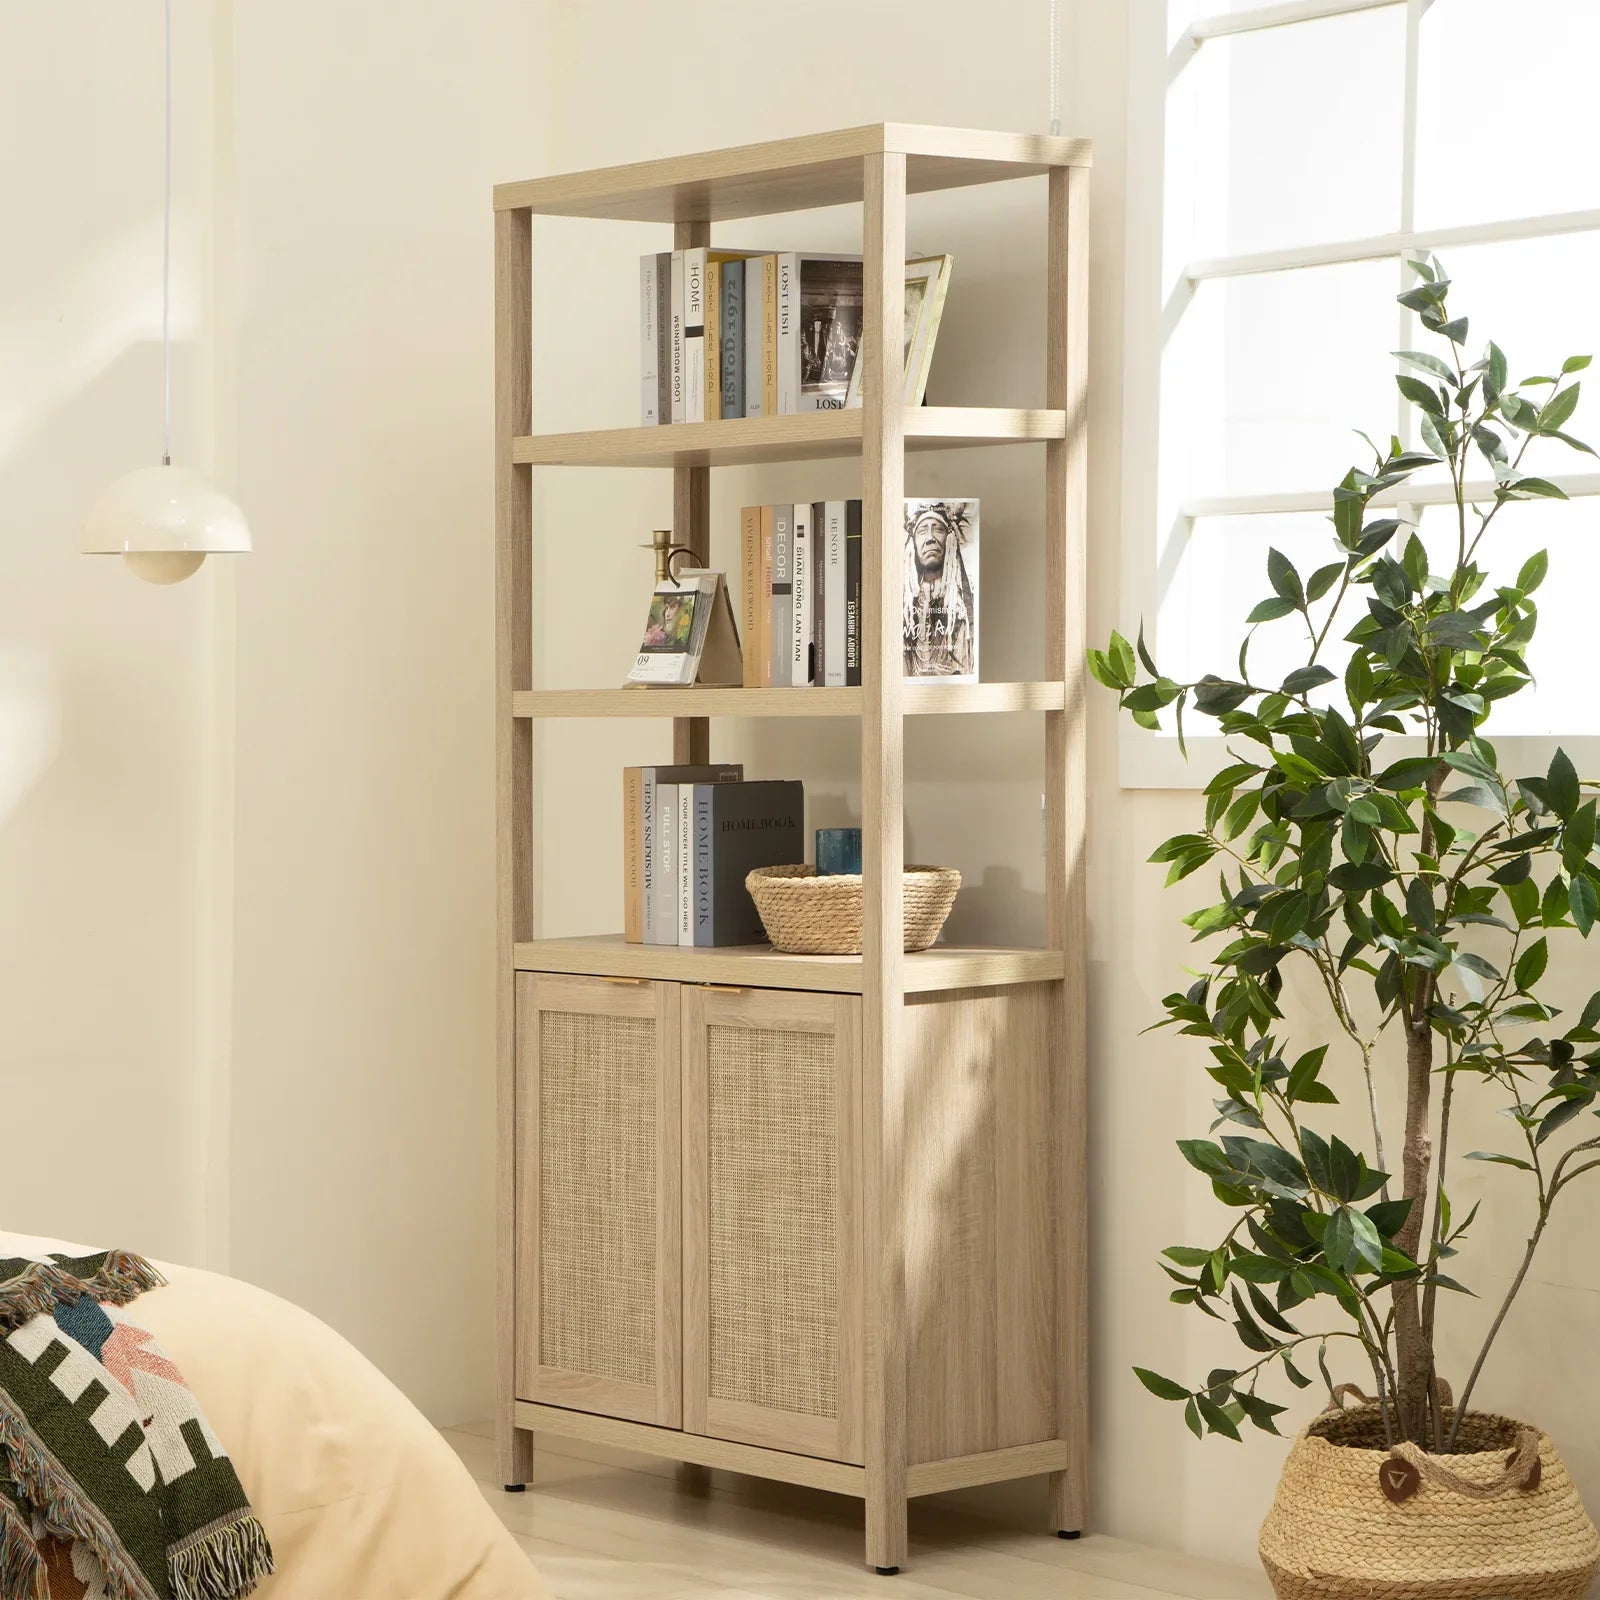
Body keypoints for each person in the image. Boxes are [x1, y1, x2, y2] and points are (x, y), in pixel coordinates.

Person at [903, 500, 975, 677]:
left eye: (938, 529)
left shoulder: (963, 603)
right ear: (912, 544)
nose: (930, 538)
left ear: (950, 539)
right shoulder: (902, 603)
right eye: (922, 531)